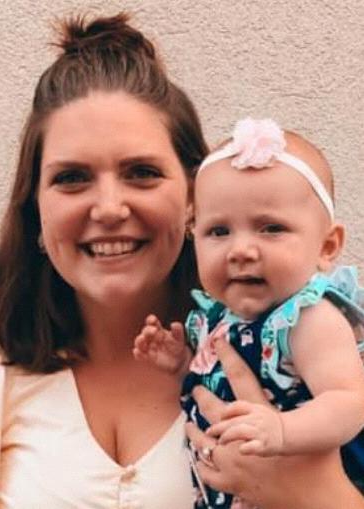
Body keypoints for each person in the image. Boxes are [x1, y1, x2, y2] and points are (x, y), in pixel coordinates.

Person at [0, 13, 364, 509]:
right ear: (35, 210)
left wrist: (316, 495)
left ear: (194, 201)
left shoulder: (309, 351)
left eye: (141, 172)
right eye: (72, 178)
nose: (110, 209)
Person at [133, 118, 364, 508]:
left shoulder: (308, 319)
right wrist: (183, 365)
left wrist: (282, 429)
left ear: (327, 246)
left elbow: (350, 402)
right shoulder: (219, 319)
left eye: (271, 228)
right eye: (219, 231)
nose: (240, 250)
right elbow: (218, 380)